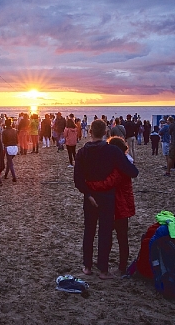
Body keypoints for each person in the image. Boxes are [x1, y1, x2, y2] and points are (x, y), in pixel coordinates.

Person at [74, 119, 139, 279]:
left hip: (90, 198)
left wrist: (88, 194)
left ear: (90, 132)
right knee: (104, 232)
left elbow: (77, 179)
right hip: (107, 197)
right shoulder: (113, 151)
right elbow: (132, 171)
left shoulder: (82, 152)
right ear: (105, 133)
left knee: (89, 231)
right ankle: (103, 270)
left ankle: (87, 267)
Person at [86, 136, 137, 278]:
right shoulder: (124, 163)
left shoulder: (121, 166)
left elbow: (109, 182)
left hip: (120, 205)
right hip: (120, 203)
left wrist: (89, 186)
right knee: (115, 235)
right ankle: (110, 264)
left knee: (120, 236)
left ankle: (121, 267)